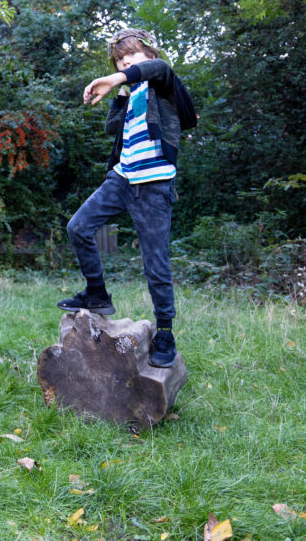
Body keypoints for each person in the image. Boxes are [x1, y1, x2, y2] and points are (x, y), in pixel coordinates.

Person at [60, 28, 198, 368]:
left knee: (156, 263)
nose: (124, 61)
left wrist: (115, 77)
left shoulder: (161, 83)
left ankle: (164, 329)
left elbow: (159, 69)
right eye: (119, 59)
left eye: (131, 56)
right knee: (78, 227)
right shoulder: (133, 93)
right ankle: (98, 294)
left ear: (148, 55)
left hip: (154, 185)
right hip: (122, 178)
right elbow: (112, 129)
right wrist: (120, 95)